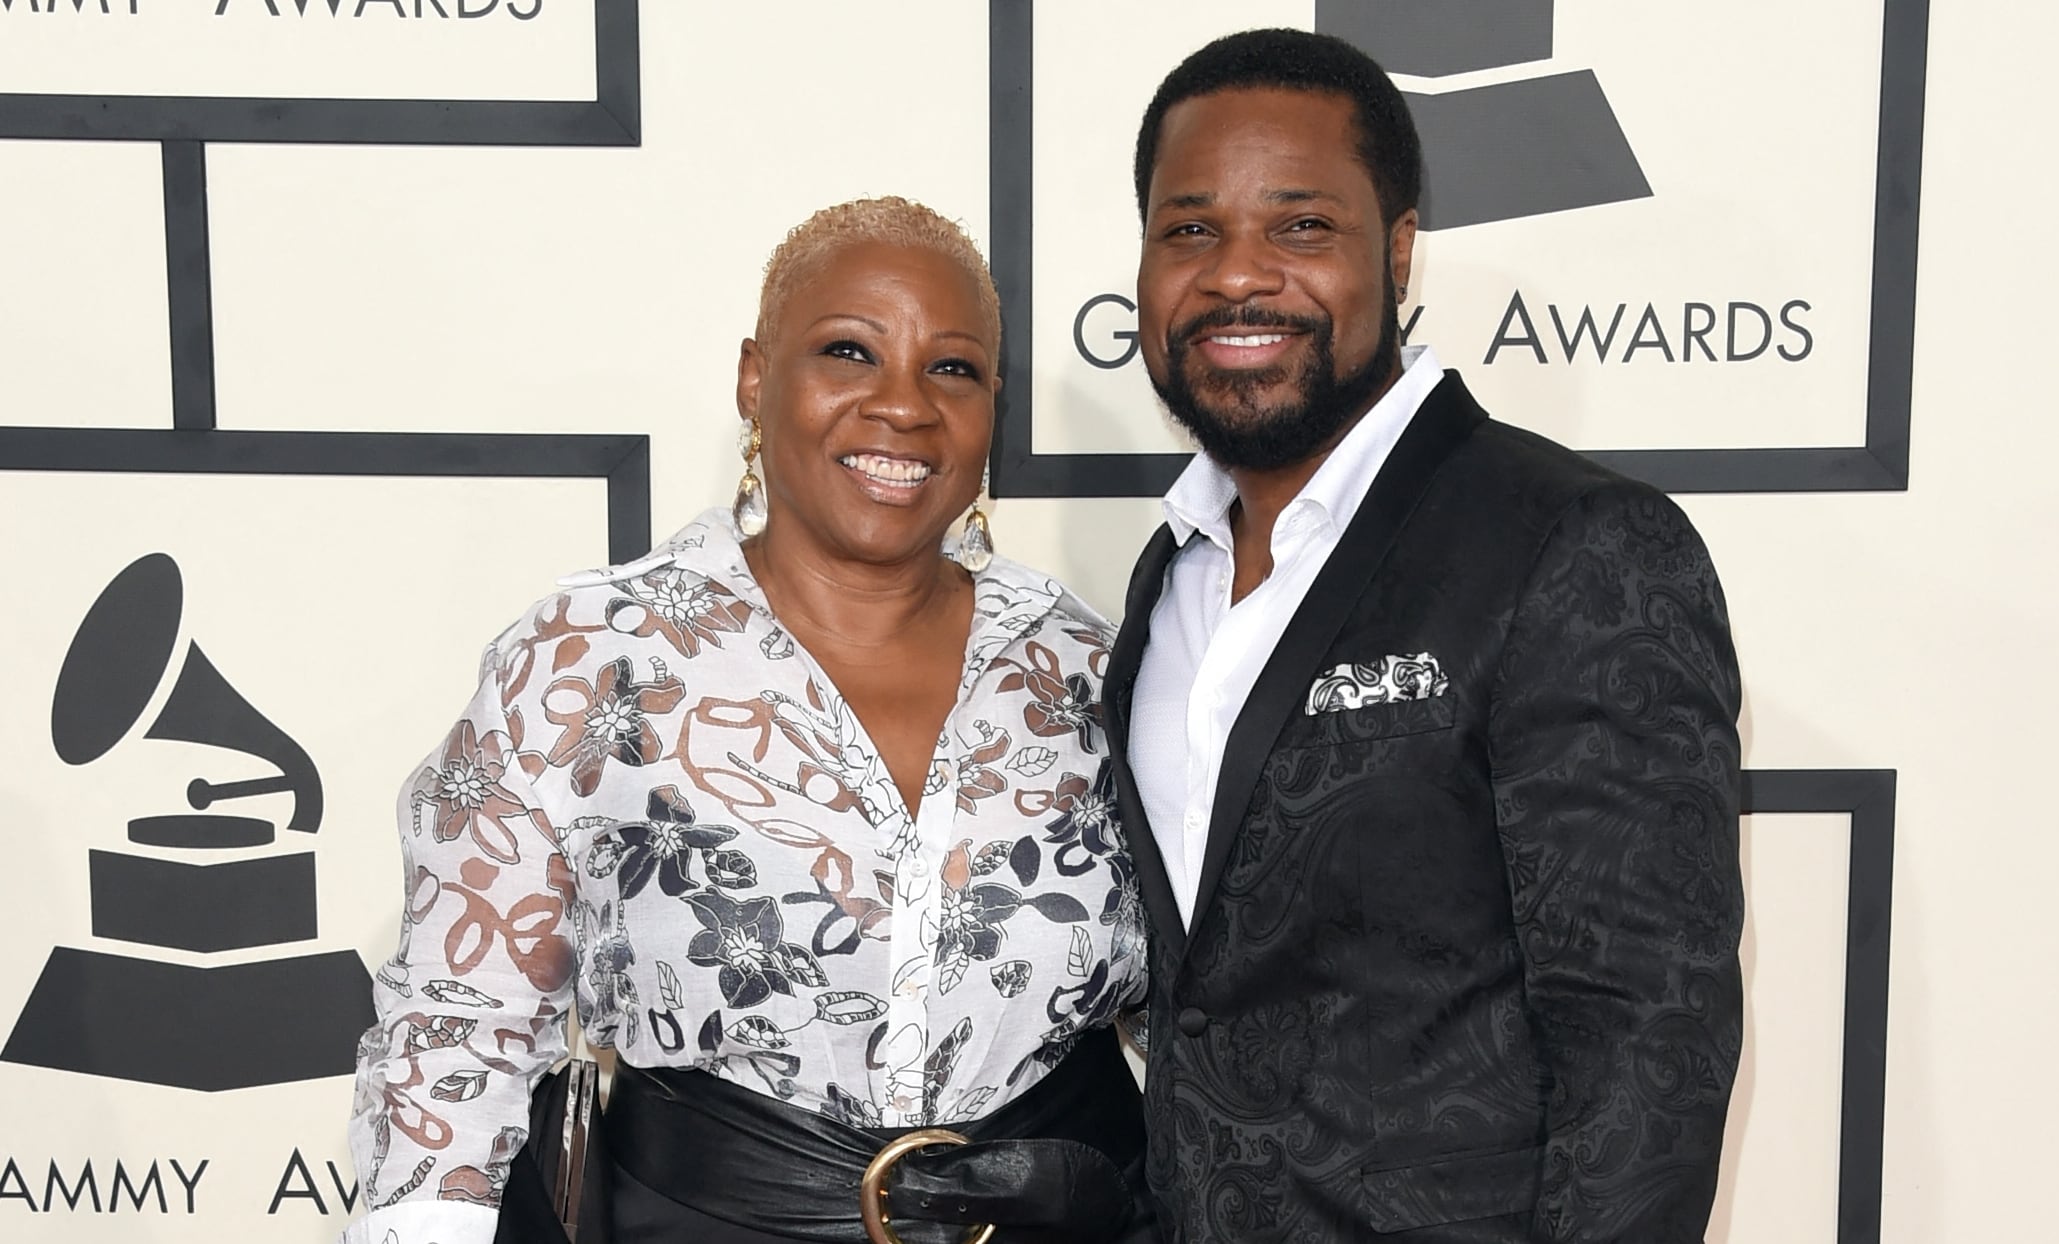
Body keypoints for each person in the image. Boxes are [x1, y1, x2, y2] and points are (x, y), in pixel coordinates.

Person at [345, 197, 1151, 1244]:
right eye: (848, 351)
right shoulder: (590, 657)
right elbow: (459, 1025)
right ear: (755, 378)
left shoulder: (1087, 666)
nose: (901, 404)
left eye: (951, 369)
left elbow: (1205, 1014)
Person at [1100, 29, 1745, 1243]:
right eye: (1190, 230)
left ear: (1396, 250)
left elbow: (1646, 1046)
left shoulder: (1575, 545)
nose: (1237, 276)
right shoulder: (1169, 575)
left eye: (1300, 226)